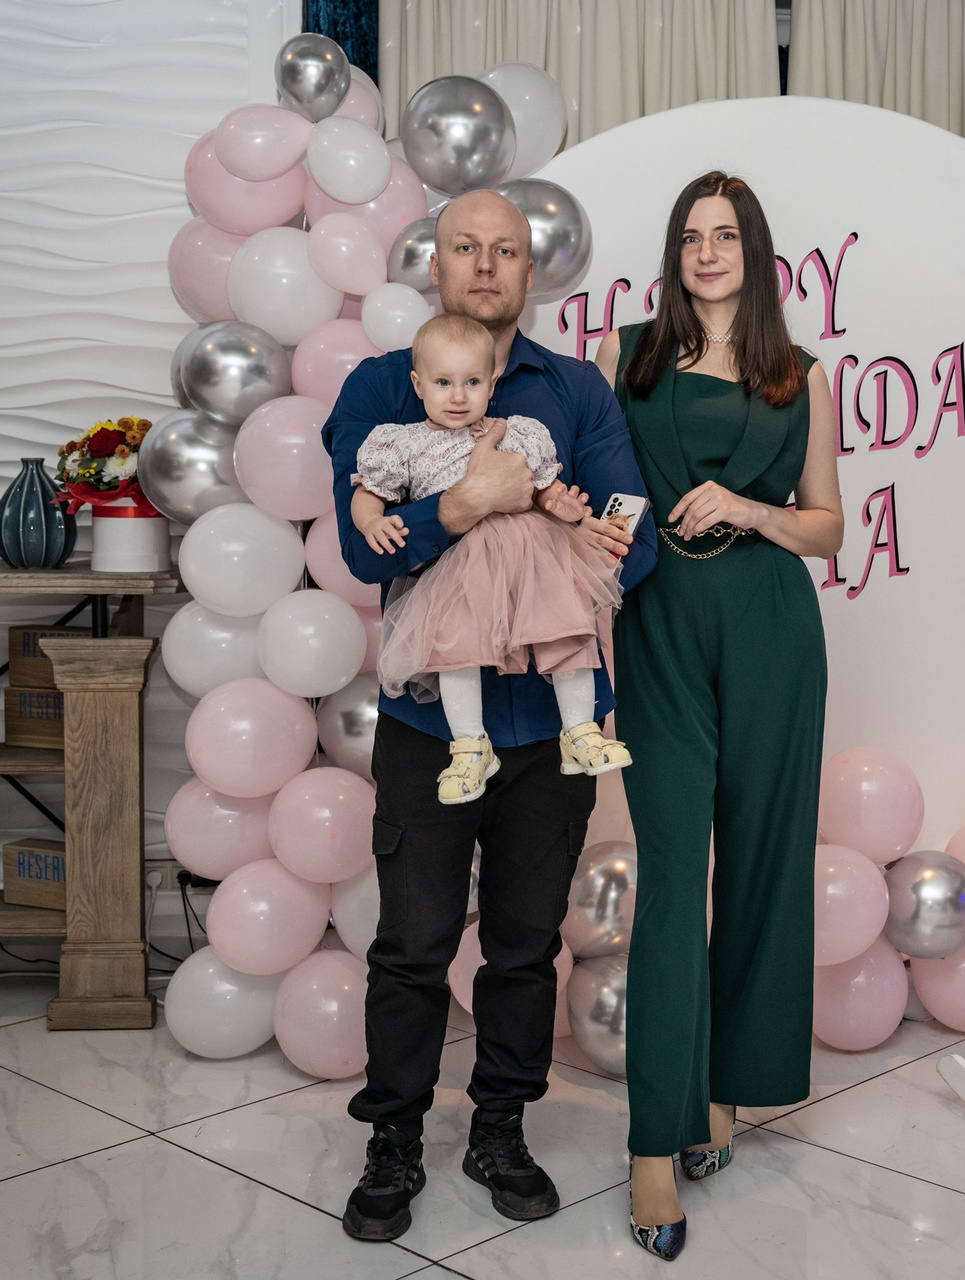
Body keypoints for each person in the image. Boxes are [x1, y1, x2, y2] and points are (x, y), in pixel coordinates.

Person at [323, 188, 657, 1245]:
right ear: (435, 264)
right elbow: (357, 543)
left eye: (504, 250)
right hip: (432, 718)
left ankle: (500, 1129)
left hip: (551, 723)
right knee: (413, 944)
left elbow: (634, 539)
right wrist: (465, 504)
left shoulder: (574, 390)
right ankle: (394, 1137)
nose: (483, 264)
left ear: (530, 270)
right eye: (464, 246)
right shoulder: (382, 386)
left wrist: (549, 523)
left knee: (523, 946)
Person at [596, 171, 843, 1261]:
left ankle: (724, 1092)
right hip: (659, 624)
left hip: (771, 627)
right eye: (692, 236)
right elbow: (600, 487)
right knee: (669, 873)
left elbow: (827, 526)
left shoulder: (802, 376)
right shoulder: (629, 357)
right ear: (674, 252)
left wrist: (749, 506)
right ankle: (654, 1144)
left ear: (755, 251)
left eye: (727, 235)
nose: (708, 252)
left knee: (761, 865)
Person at [350, 311, 631, 805]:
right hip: (461, 567)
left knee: (565, 628)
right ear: (418, 385)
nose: (458, 396)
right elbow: (367, 493)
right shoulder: (405, 443)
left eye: (472, 382)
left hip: (533, 556)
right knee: (454, 649)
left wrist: (562, 505)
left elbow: (545, 489)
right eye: (443, 383)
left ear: (492, 382)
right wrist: (372, 521)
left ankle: (580, 731)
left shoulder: (517, 433)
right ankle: (469, 746)